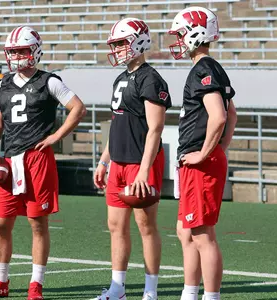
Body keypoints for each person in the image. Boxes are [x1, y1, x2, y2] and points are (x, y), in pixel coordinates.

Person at [0, 26, 86, 300]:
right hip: (10, 160)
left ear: (34, 51)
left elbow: (78, 108)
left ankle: (36, 284)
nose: (16, 56)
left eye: (21, 50)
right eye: (12, 51)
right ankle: (1, 281)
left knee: (38, 223)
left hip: (37, 158)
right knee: (1, 223)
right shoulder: (4, 83)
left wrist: (56, 136)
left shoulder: (50, 81)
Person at [93, 18, 172, 300]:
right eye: (115, 44)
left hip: (141, 162)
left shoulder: (151, 79)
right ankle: (117, 289)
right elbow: (117, 123)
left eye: (121, 43)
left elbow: (156, 128)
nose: (117, 49)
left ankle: (150, 291)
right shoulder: (121, 77)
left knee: (146, 226)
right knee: (115, 225)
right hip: (119, 162)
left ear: (139, 41)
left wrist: (144, 170)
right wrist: (105, 160)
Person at [168, 7, 237, 300]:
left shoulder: (204, 69)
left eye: (182, 34)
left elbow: (219, 116)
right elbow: (232, 113)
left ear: (196, 34)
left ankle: (210, 296)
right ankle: (190, 293)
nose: (179, 40)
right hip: (200, 158)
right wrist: (219, 149)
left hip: (200, 160)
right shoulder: (208, 67)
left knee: (202, 235)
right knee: (185, 231)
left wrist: (206, 153)